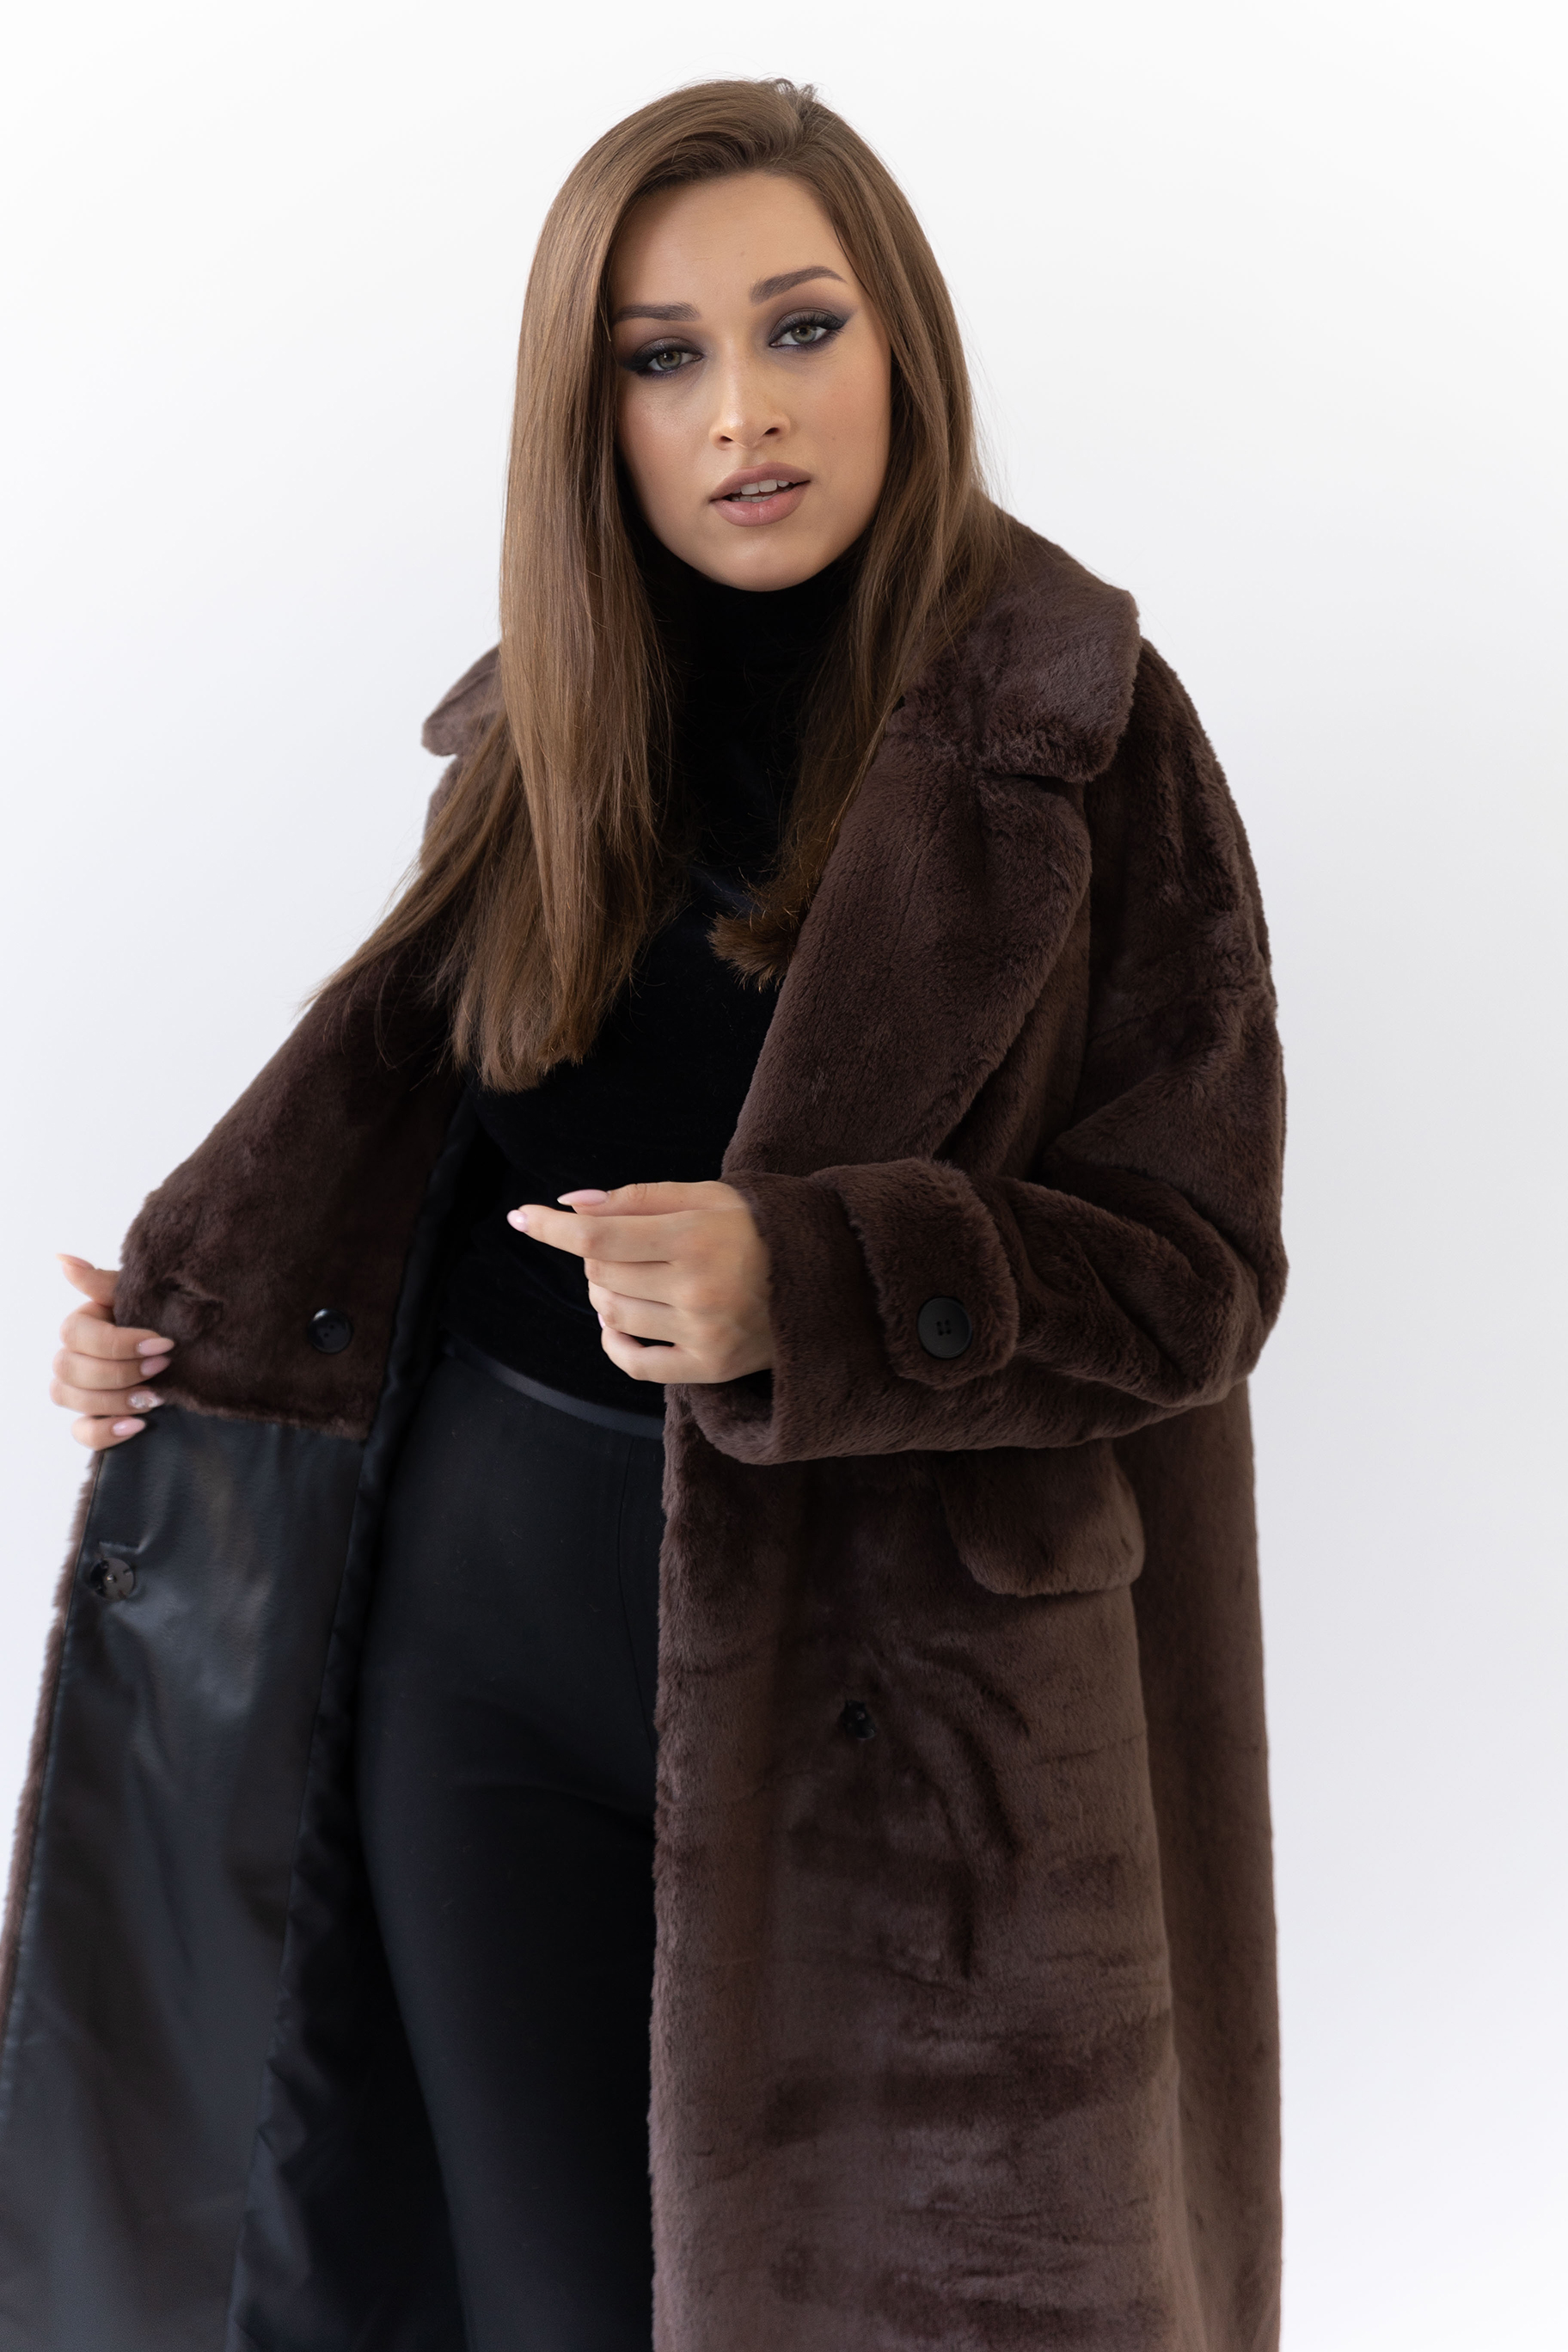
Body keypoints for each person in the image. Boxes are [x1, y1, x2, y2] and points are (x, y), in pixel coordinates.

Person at [3, 77, 1287, 2352]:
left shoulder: (1085, 735)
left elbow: (1196, 1274)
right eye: (662, 358)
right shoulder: (546, 736)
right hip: (479, 1649)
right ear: (589, 415)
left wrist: (815, 1281)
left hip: (902, 1689)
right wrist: (192, 1337)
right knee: (545, 2303)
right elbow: (421, 1163)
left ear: (901, 341)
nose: (740, 413)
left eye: (799, 328)